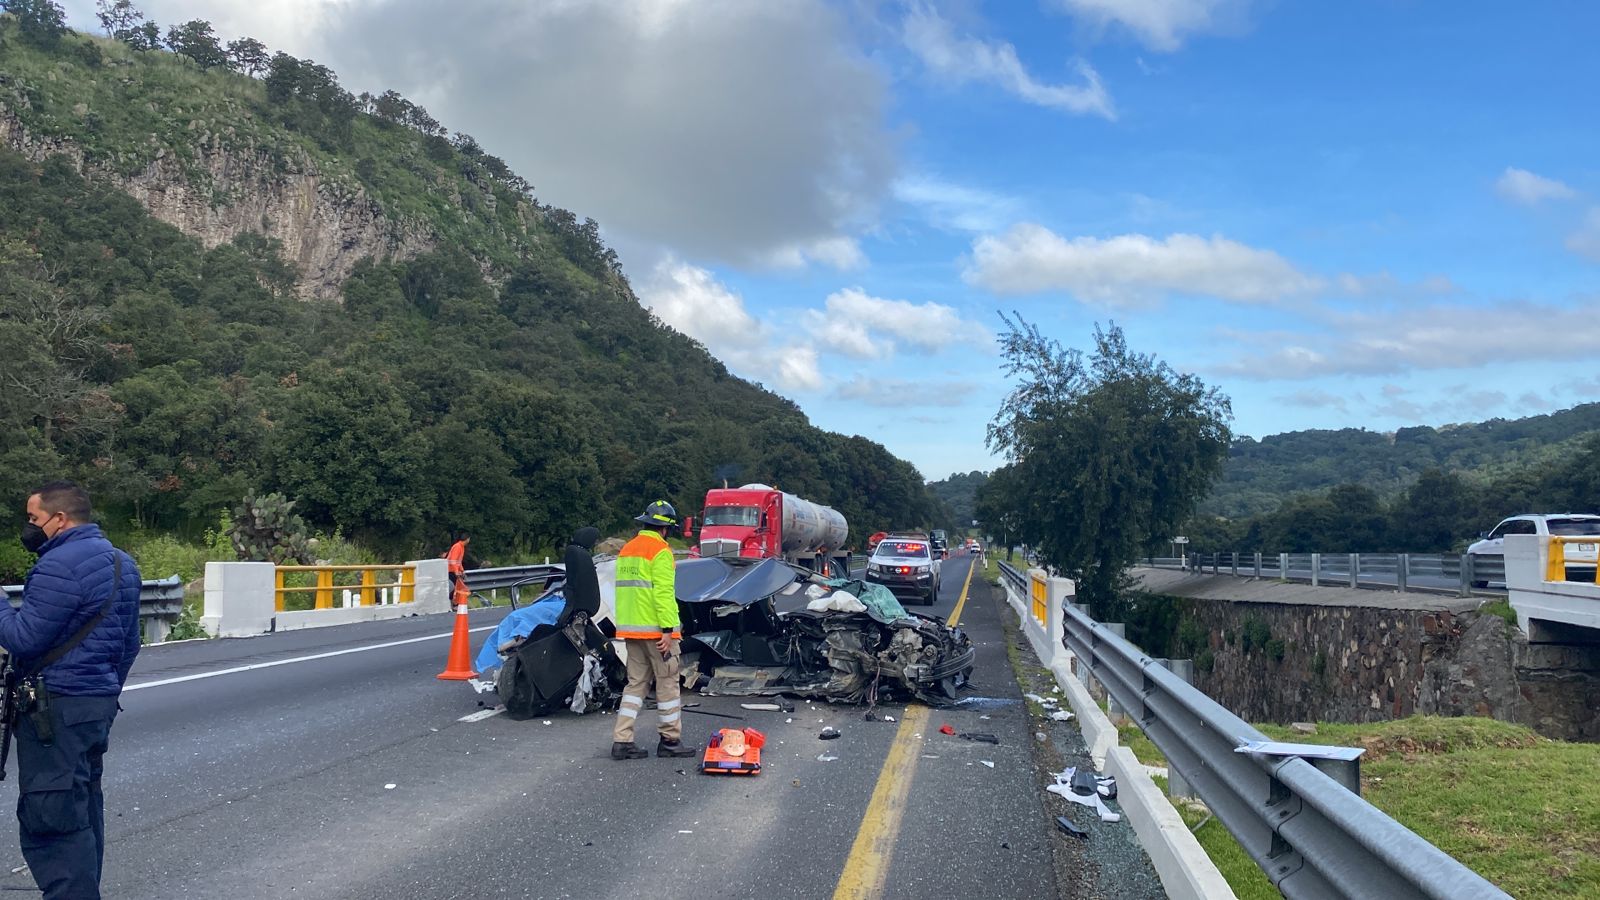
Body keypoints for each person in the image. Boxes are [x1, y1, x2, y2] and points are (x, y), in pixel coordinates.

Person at [0, 481, 141, 900]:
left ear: (59, 519)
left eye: (33, 519)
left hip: (54, 709)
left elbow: (23, 639)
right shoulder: (123, 563)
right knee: (82, 804)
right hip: (95, 704)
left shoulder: (59, 564)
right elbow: (129, 644)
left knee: (53, 816)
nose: (29, 528)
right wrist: (103, 688)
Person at [610, 501, 695, 760]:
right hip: (657, 632)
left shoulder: (627, 549)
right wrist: (668, 630)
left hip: (631, 631)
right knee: (668, 684)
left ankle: (622, 741)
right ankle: (670, 741)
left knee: (635, 685)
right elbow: (664, 595)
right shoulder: (660, 550)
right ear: (665, 529)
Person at [443, 532, 470, 609]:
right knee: (451, 587)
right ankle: (451, 604)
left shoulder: (461, 547)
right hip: (450, 570)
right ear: (467, 539)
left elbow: (458, 561)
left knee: (454, 587)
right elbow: (453, 560)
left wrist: (462, 571)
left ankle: (453, 604)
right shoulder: (457, 547)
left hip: (453, 570)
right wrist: (456, 571)